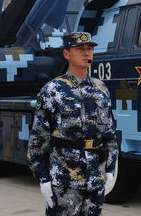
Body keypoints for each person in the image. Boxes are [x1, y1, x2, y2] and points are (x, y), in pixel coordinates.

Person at [27, 32, 119, 215]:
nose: (87, 53)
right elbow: (39, 138)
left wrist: (109, 168)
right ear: (66, 54)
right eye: (80, 49)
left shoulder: (101, 89)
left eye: (90, 48)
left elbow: (109, 132)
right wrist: (43, 178)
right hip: (65, 179)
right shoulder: (53, 90)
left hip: (95, 177)